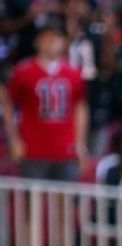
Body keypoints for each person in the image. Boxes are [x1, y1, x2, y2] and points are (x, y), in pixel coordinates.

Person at [2, 25, 88, 182]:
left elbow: (80, 108)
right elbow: (9, 105)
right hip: (33, 146)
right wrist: (14, 139)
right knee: (33, 198)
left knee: (65, 199)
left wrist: (80, 143)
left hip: (65, 147)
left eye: (55, 39)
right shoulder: (23, 72)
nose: (50, 43)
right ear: (37, 42)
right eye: (46, 39)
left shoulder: (74, 73)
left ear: (63, 43)